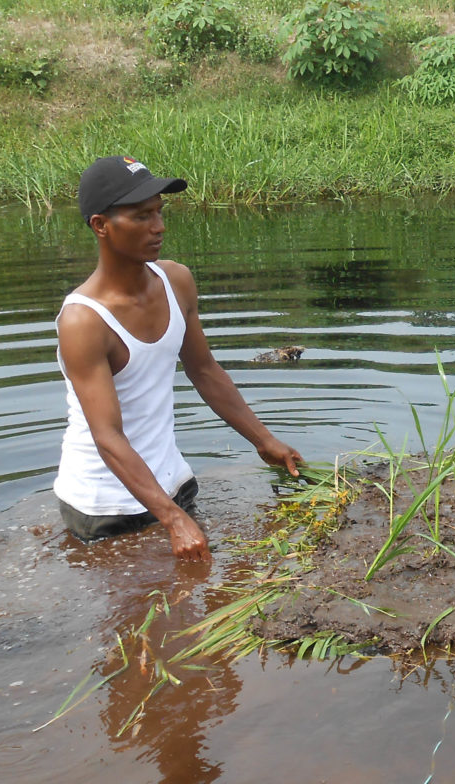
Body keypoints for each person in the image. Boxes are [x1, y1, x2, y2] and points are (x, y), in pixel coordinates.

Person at [53, 155, 303, 562]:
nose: (159, 227)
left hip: (174, 484)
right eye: (141, 216)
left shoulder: (177, 281)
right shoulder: (84, 320)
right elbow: (107, 436)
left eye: (159, 211)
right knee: (135, 619)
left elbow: (204, 371)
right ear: (101, 225)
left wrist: (265, 441)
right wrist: (173, 521)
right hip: (104, 507)